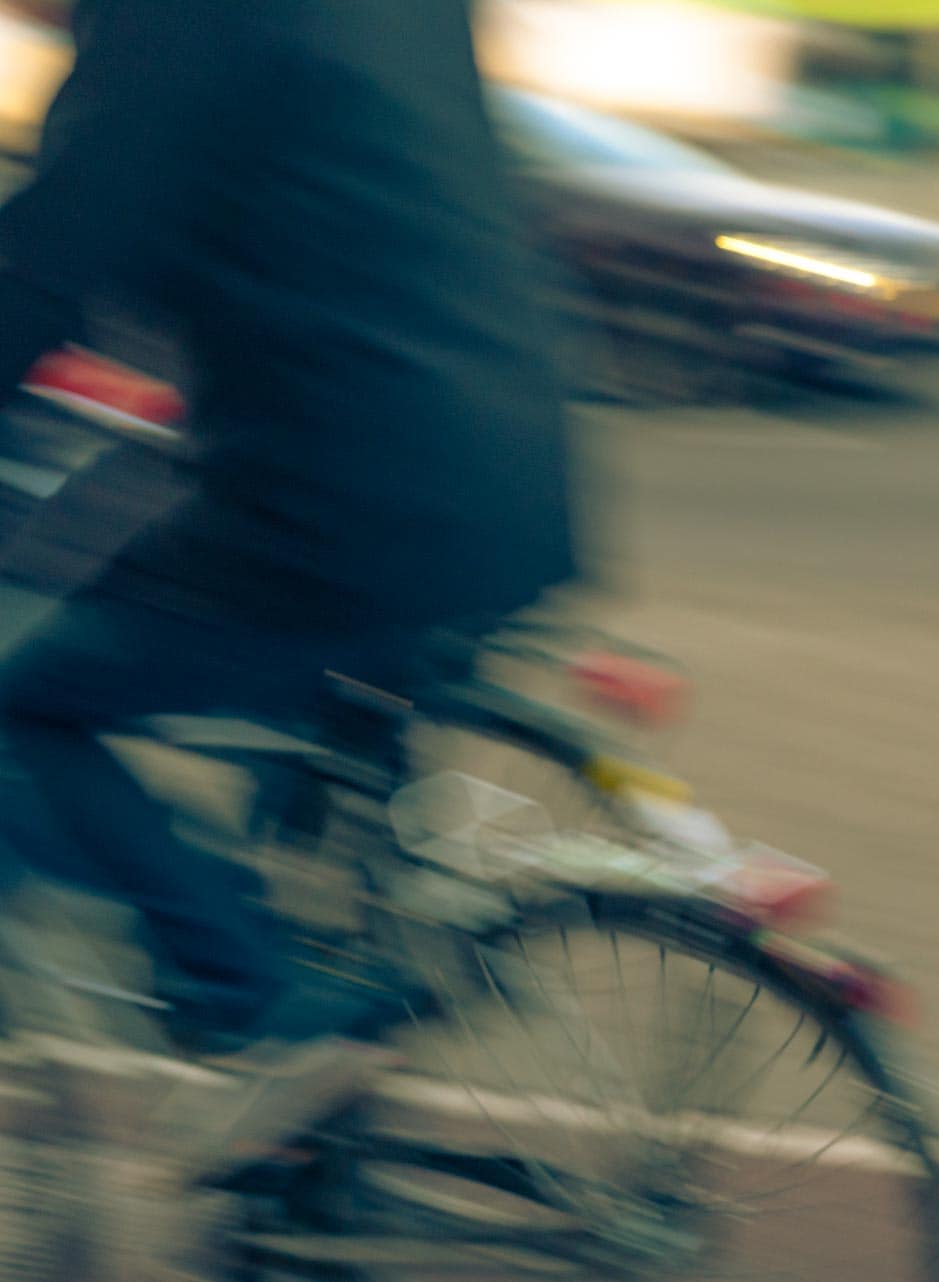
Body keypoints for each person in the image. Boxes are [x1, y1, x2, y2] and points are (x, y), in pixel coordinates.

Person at [0, 0, 578, 1062]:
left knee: (24, 702)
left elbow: (47, 264)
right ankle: (324, 1146)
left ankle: (242, 993)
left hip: (344, 506)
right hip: (514, 479)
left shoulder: (166, 21)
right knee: (310, 770)